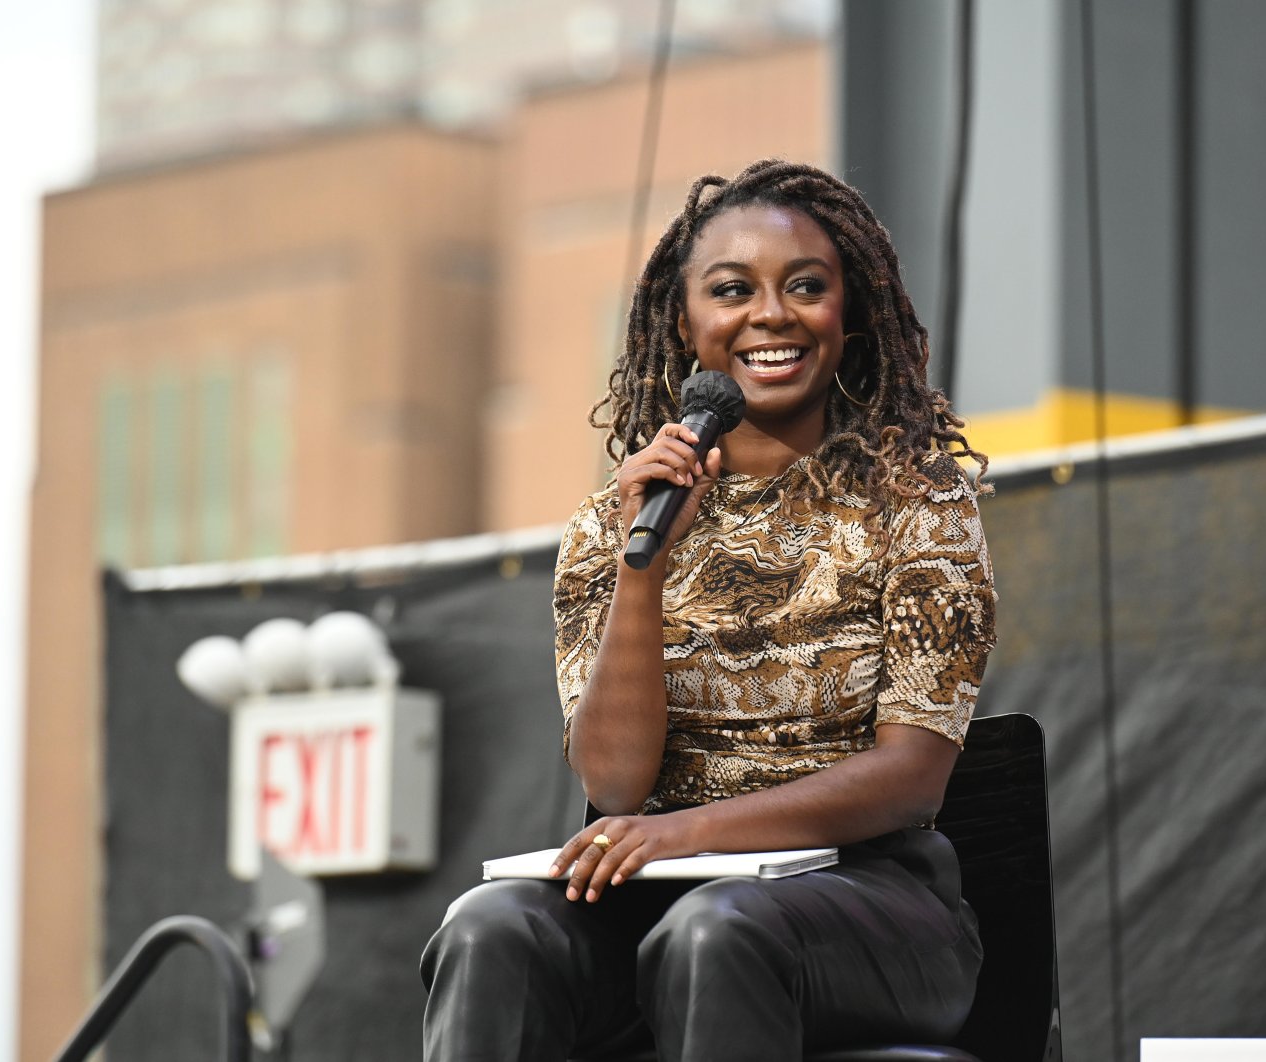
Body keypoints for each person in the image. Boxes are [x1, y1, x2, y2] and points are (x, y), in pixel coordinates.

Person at [420, 159, 997, 1062]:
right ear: (685, 324)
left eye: (806, 287)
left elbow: (911, 779)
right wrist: (643, 567)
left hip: (871, 902)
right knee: (492, 928)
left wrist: (680, 835)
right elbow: (614, 787)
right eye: (733, 290)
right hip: (663, 892)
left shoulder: (917, 504)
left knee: (716, 931)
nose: (771, 315)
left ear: (848, 319)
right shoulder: (614, 524)